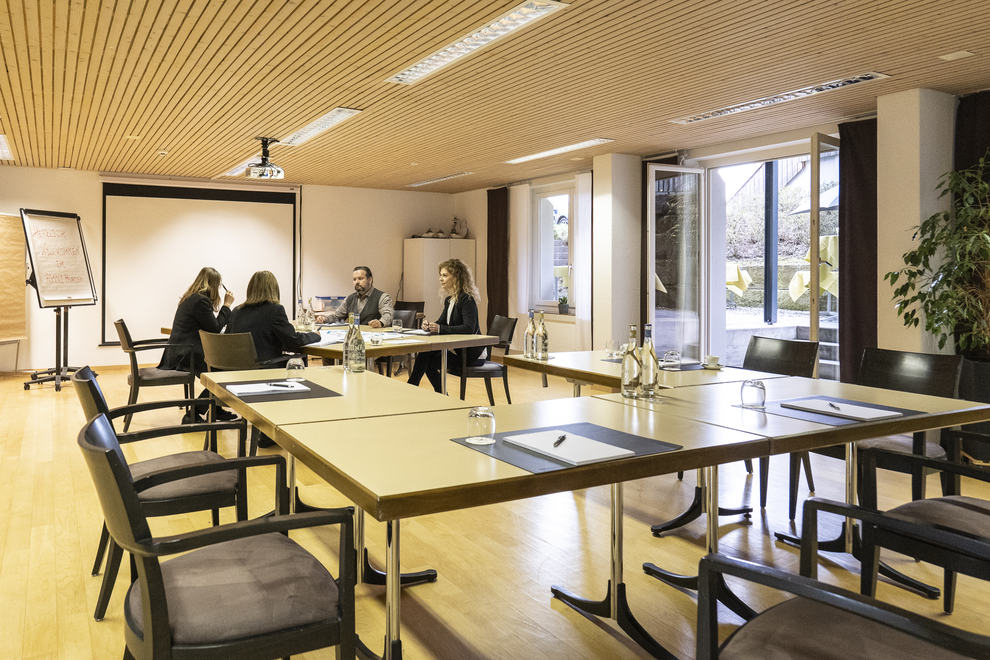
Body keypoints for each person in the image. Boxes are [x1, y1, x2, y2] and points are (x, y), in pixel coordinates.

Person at [159, 266, 235, 423]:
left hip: (181, 351)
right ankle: (193, 413)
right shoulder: (201, 300)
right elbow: (215, 327)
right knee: (222, 374)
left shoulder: (192, 298)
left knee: (220, 370)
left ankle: (215, 409)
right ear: (213, 285)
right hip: (186, 354)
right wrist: (227, 305)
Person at [407, 258, 485, 393]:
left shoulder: (467, 299)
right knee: (425, 354)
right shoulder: (449, 300)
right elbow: (441, 322)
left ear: (456, 277)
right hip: (457, 349)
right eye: (440, 275)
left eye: (445, 275)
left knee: (427, 361)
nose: (441, 279)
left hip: (471, 354)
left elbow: (468, 328)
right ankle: (426, 390)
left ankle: (413, 388)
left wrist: (440, 329)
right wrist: (430, 325)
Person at [227, 270, 321, 362]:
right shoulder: (275, 310)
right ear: (274, 290)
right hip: (264, 367)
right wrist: (315, 335)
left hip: (236, 367)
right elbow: (294, 339)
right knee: (297, 360)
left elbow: (227, 340)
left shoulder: (236, 311)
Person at [315, 266, 393, 328]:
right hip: (354, 336)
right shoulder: (349, 299)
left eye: (360, 279)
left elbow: (388, 316)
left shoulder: (382, 297)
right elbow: (337, 316)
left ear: (370, 280)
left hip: (374, 337)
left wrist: (380, 323)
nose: (357, 282)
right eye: (354, 279)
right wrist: (324, 319)